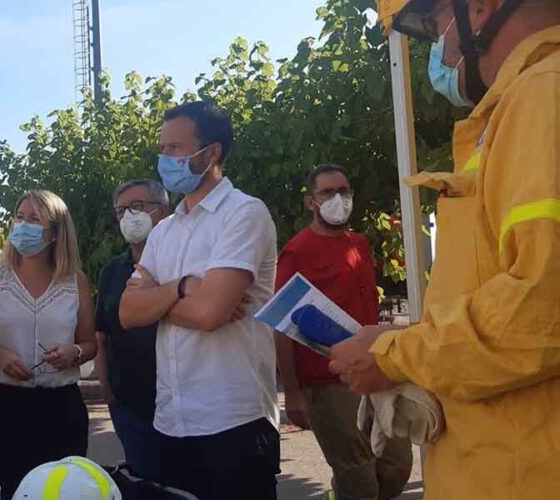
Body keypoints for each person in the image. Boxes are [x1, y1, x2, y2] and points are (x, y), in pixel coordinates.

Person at [330, 1, 560, 498]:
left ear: (479, 7)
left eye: (435, 26)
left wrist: (395, 355)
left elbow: (543, 309)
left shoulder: (543, 95)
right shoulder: (522, 105)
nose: (439, 48)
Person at [120, 101, 280, 500]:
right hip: (172, 421)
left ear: (212, 153)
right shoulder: (164, 232)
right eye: (163, 148)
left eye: (176, 148)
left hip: (235, 422)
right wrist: (183, 287)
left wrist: (159, 299)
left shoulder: (244, 214)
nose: (165, 158)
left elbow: (211, 313)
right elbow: (127, 312)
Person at [275, 164, 412, 500]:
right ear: (311, 202)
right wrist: (292, 392)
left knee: (397, 464)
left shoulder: (360, 244)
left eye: (344, 191)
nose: (339, 198)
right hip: (328, 382)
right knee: (358, 477)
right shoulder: (296, 252)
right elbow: (283, 326)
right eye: (328, 192)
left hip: (377, 369)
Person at [0, 190, 98, 498]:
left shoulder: (74, 281)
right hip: (3, 408)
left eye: (35, 219)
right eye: (20, 217)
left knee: (63, 493)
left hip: (61, 409)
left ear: (56, 232)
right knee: (7, 491)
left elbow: (90, 343)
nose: (22, 225)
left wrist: (74, 353)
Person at [94, 179, 170, 480]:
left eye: (137, 207)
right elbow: (102, 333)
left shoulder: (182, 264)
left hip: (183, 405)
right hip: (130, 408)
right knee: (146, 485)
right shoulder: (112, 271)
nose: (129, 216)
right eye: (121, 210)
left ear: (163, 210)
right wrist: (107, 390)